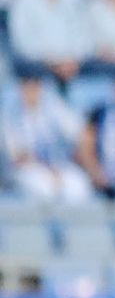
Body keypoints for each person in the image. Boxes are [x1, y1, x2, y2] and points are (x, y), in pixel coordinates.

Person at [2, 74, 93, 203]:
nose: (31, 91)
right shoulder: (10, 113)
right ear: (21, 88)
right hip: (27, 168)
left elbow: (81, 133)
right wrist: (49, 171)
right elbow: (18, 157)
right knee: (44, 189)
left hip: (58, 165)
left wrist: (80, 155)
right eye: (27, 86)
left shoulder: (52, 106)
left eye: (35, 86)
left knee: (78, 188)